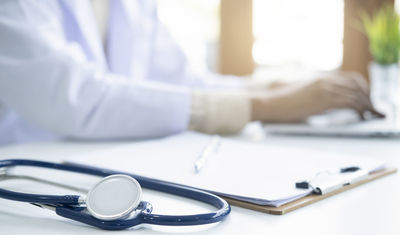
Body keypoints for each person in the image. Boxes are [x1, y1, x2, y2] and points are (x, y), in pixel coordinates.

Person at [0, 0, 381, 145]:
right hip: (29, 178)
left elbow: (181, 83)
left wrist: (284, 87)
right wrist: (266, 105)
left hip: (108, 168)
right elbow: (73, 98)